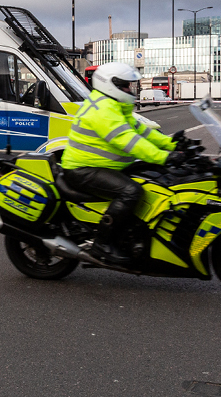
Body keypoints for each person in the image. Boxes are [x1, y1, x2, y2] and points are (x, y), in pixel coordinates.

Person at [60, 62, 185, 264]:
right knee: (132, 192)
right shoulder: (103, 109)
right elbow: (129, 141)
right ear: (112, 85)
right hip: (83, 170)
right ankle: (101, 244)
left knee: (153, 178)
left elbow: (143, 132)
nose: (130, 90)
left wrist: (172, 144)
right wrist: (164, 157)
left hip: (104, 166)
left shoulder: (116, 106)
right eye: (126, 85)